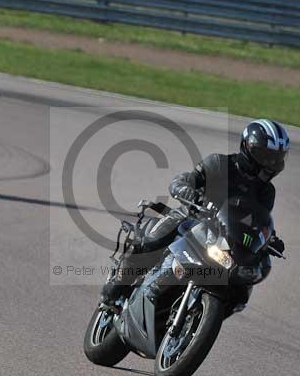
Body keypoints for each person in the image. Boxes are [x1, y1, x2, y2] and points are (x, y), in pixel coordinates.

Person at [99, 118, 289, 310]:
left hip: (224, 236)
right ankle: (116, 287)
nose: (269, 163)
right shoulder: (219, 163)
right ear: (247, 147)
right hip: (191, 218)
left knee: (241, 278)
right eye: (265, 155)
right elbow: (187, 179)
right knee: (150, 241)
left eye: (275, 158)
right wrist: (184, 188)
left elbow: (258, 220)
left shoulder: (266, 192)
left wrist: (267, 237)